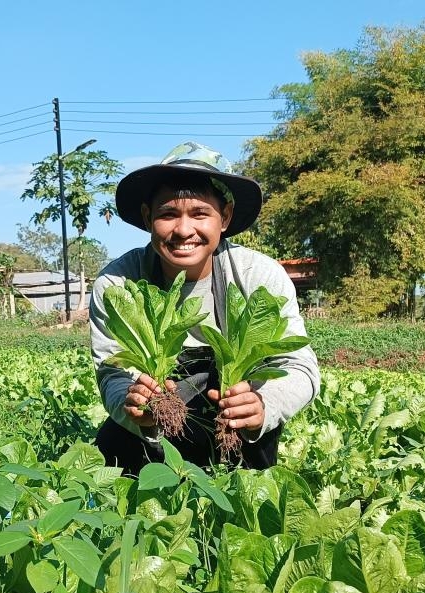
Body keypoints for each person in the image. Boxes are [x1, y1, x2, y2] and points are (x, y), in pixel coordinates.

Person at [89, 141, 320, 474]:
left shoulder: (258, 276)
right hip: (152, 432)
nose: (184, 230)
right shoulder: (118, 283)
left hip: (236, 427)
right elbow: (112, 370)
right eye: (168, 214)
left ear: (224, 217)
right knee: (116, 461)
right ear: (147, 217)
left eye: (200, 214)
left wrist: (263, 405)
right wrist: (134, 404)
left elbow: (298, 364)